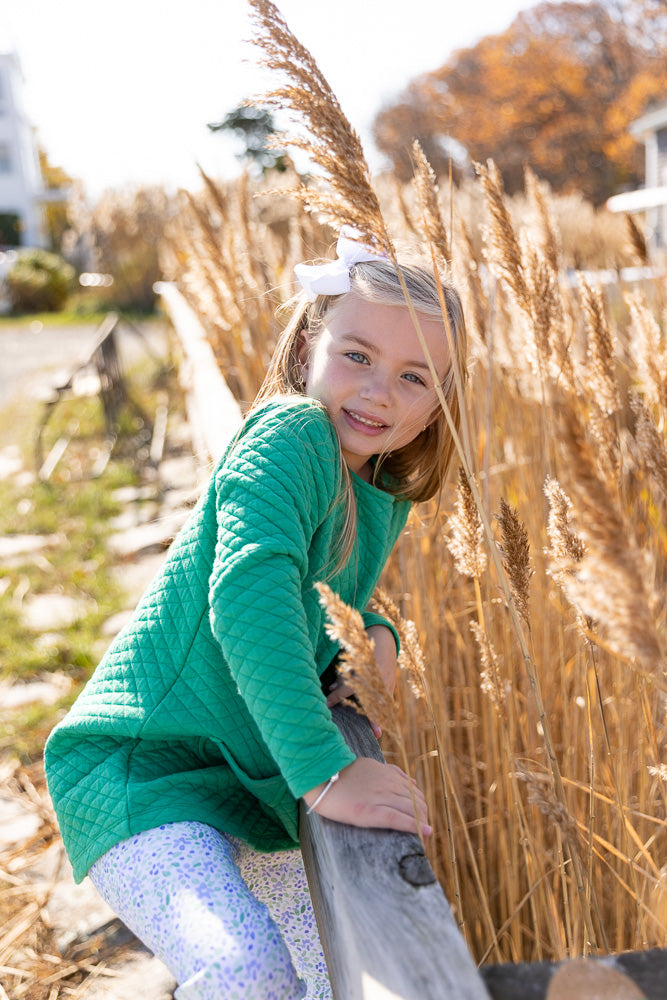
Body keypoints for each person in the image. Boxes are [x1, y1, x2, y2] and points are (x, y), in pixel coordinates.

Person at [44, 228, 468, 1000]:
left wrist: (372, 628)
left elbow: (319, 589)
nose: (378, 391)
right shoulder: (292, 434)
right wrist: (326, 771)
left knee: (327, 974)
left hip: (247, 780)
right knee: (245, 969)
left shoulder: (371, 487)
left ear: (439, 403)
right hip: (148, 769)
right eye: (357, 356)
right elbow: (248, 596)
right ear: (309, 345)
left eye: (414, 378)